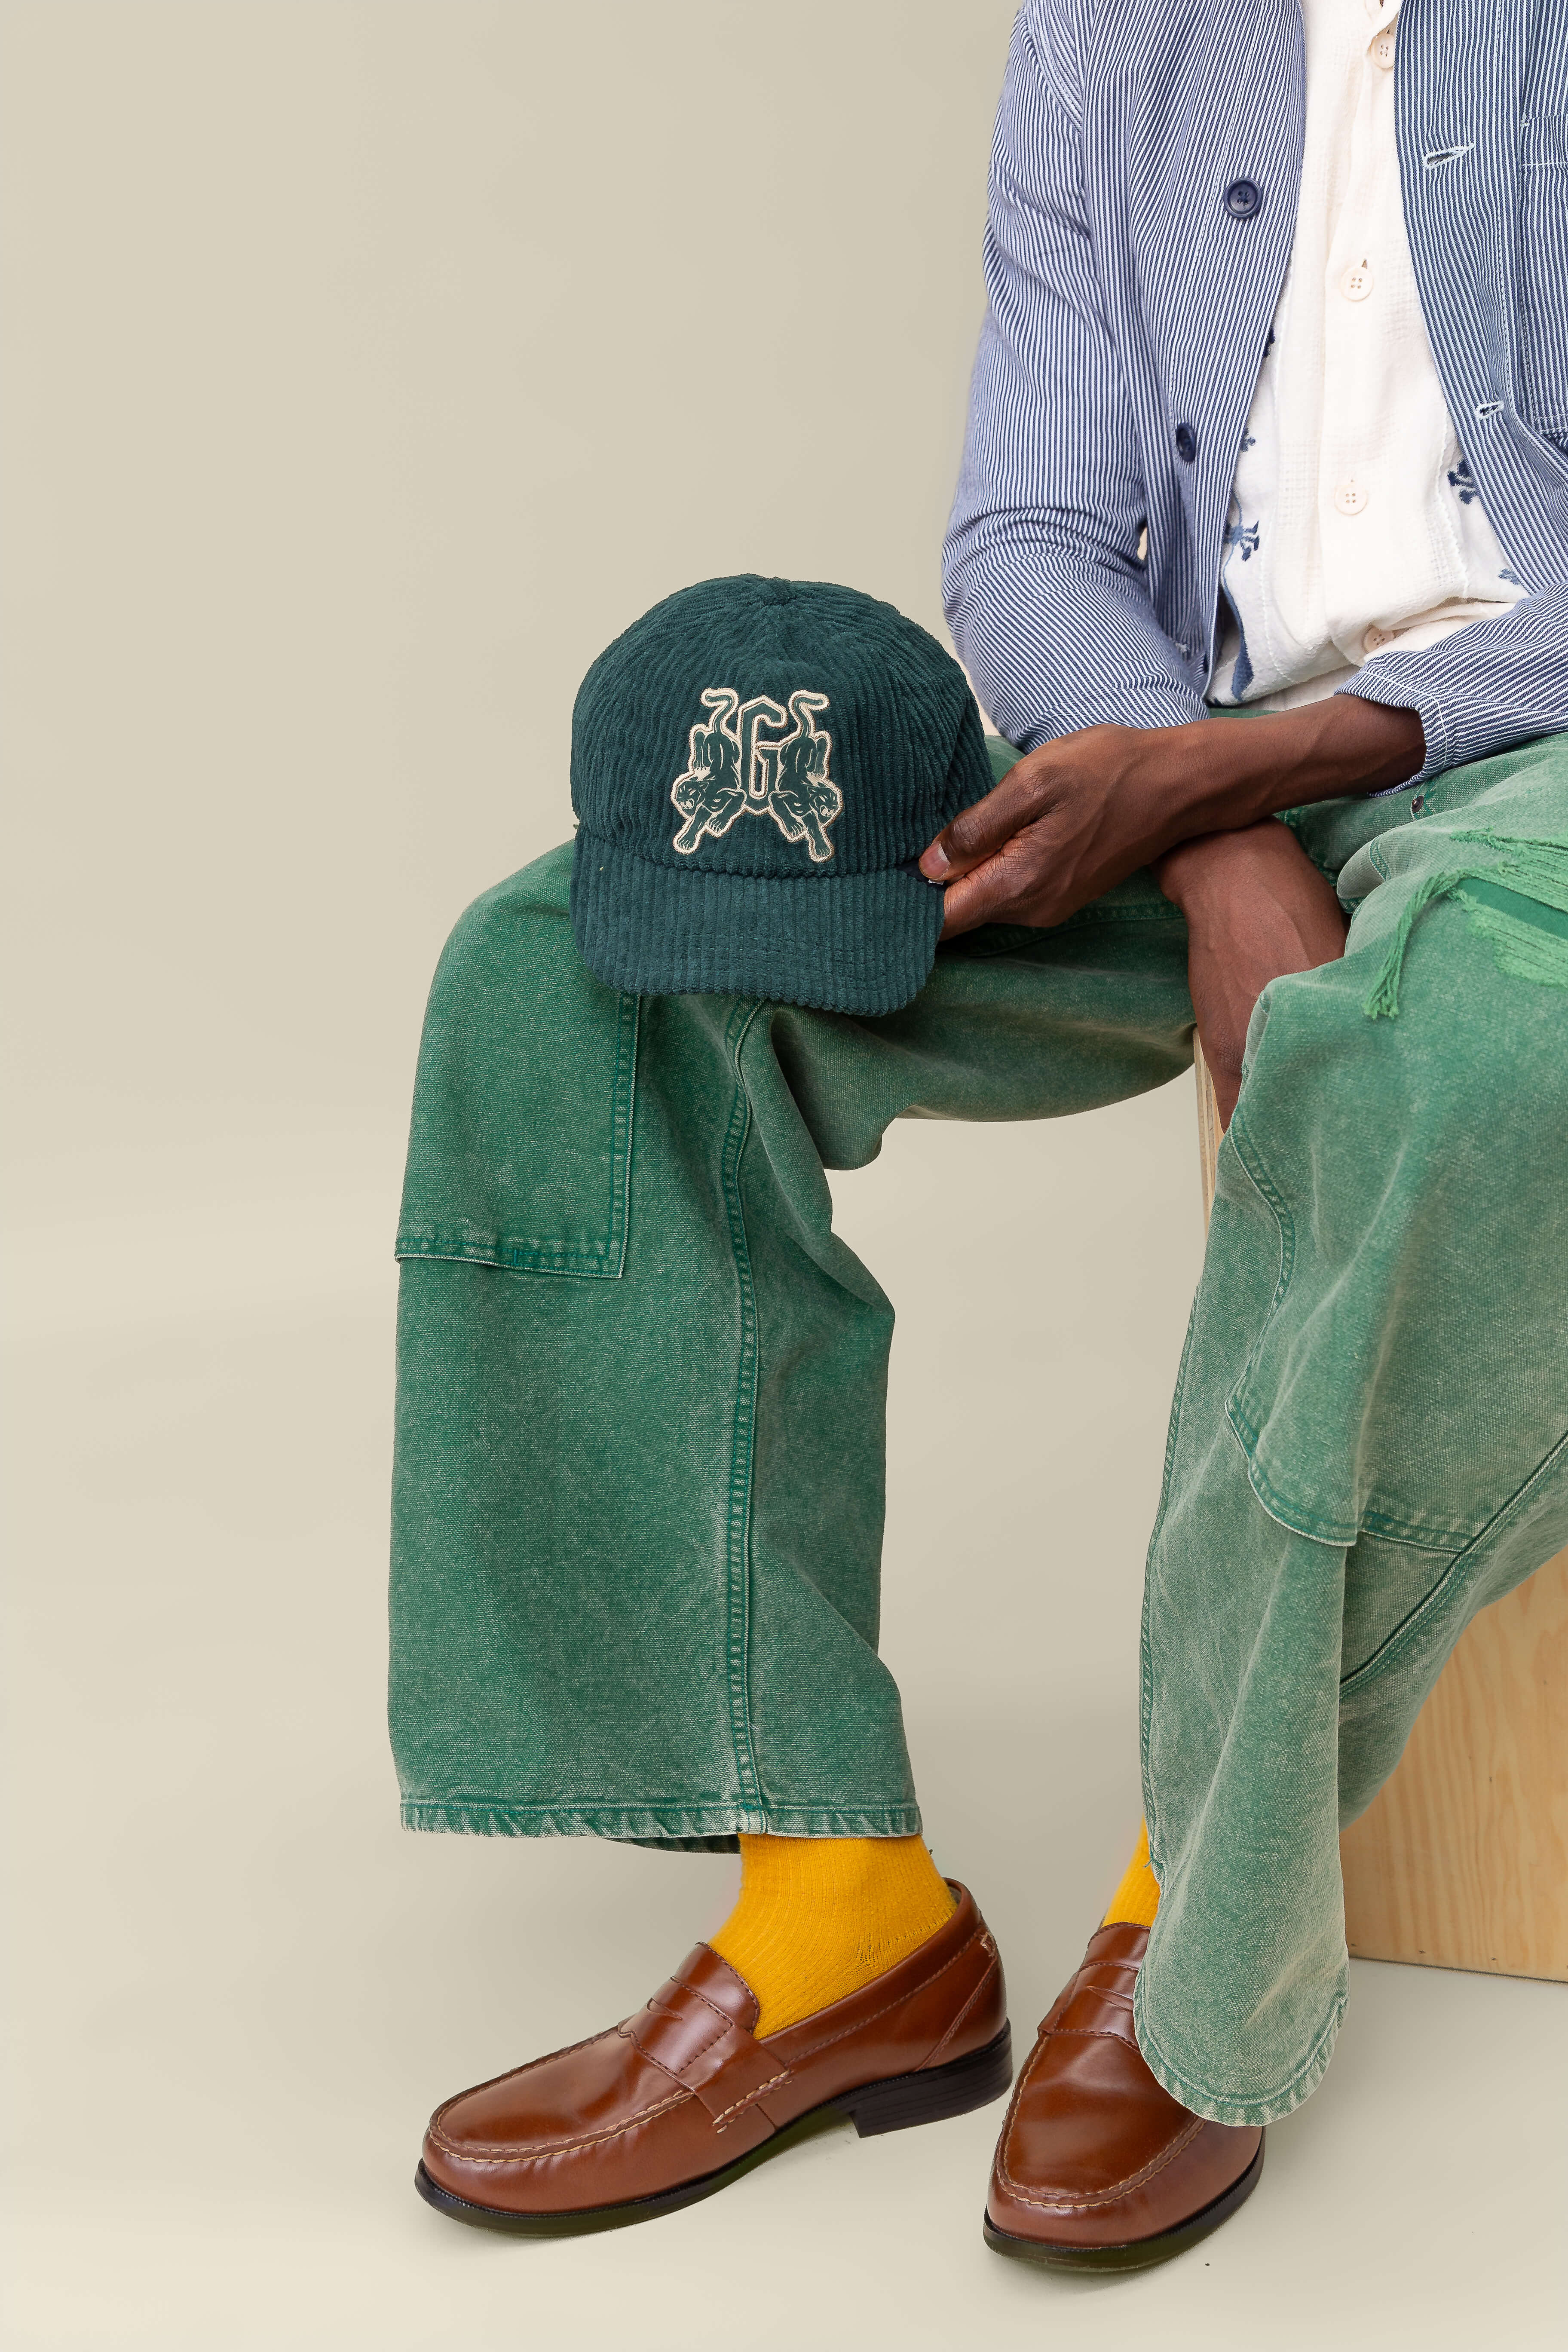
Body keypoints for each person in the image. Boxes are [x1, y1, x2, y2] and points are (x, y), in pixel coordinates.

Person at [388, 0, 1568, 2269]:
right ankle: (837, 1909)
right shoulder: (1116, 32)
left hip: (1522, 763)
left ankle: (1191, 1928)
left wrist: (1260, 776)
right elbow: (1032, 523)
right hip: (1171, 746)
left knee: (1436, 1071)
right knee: (572, 973)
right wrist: (1210, 827)